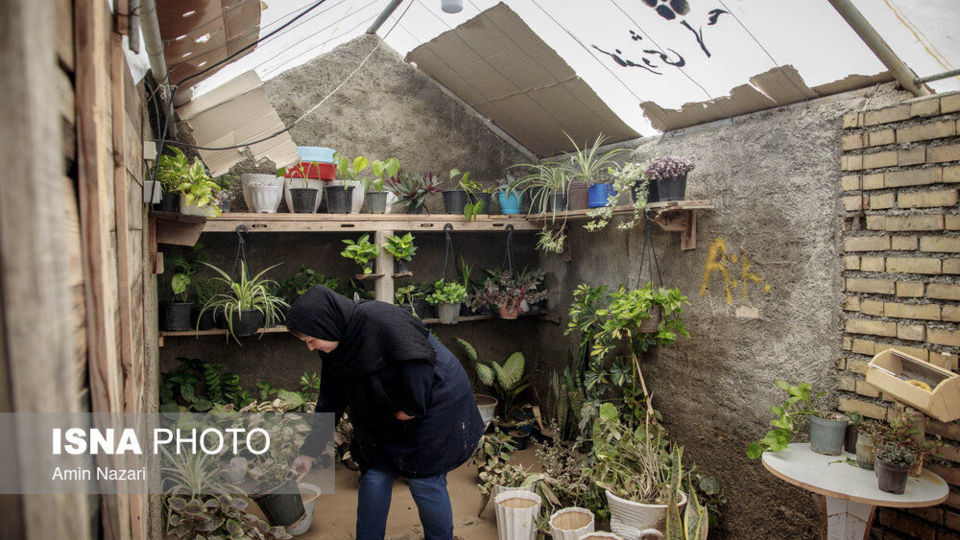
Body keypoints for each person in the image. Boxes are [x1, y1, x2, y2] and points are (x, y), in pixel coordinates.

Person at [286, 285, 483, 540]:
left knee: (425, 481)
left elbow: (418, 359)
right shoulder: (336, 352)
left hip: (432, 403)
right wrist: (308, 453)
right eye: (305, 343)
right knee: (375, 474)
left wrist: (411, 408)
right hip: (387, 412)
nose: (310, 348)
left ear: (326, 325)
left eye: (311, 340)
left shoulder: (381, 319)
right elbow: (329, 401)